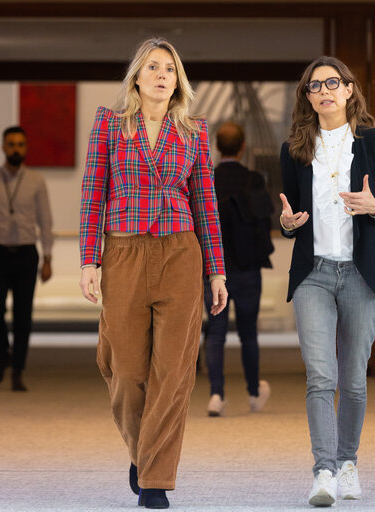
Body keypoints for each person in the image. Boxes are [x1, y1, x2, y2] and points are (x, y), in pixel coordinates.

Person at [79, 38, 227, 509]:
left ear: (178, 80)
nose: (163, 75)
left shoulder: (194, 131)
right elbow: (91, 195)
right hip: (123, 254)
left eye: (170, 69)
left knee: (174, 371)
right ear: (136, 78)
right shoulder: (108, 126)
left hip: (181, 256)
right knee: (122, 368)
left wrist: (216, 272)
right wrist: (89, 260)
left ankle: (156, 480)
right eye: (153, 67)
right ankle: (142, 452)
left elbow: (206, 203)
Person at [279, 56, 375, 507]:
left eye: (333, 83)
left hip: (362, 274)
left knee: (352, 379)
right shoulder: (294, 148)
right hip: (313, 273)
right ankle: (324, 471)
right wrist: (288, 223)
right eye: (315, 86)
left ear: (350, 90)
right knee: (320, 376)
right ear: (307, 97)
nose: (325, 91)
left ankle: (348, 462)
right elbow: (289, 219)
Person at [205, 121, 274, 416]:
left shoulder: (207, 179)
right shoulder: (255, 180)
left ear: (217, 147)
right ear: (243, 147)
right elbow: (264, 224)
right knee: (248, 333)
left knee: (215, 332)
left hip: (214, 270)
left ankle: (216, 395)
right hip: (247, 269)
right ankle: (254, 393)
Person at [0, 126, 53, 392]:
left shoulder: (35, 180)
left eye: (20, 144)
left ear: (26, 147)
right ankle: (3, 355)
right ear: (3, 147)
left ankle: (18, 369)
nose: (16, 149)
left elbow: (45, 220)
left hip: (26, 253)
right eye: (11, 144)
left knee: (23, 315)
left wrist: (48, 257)